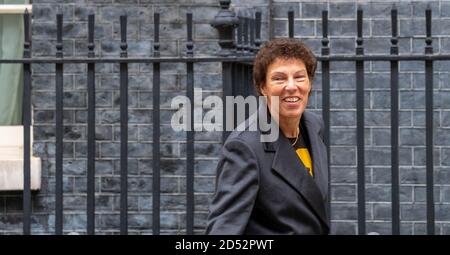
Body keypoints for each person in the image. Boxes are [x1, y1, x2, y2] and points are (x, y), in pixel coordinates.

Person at [205, 38, 329, 234]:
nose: (291, 86)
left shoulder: (314, 126)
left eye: (299, 77)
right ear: (263, 87)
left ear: (309, 83)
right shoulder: (245, 147)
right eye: (279, 78)